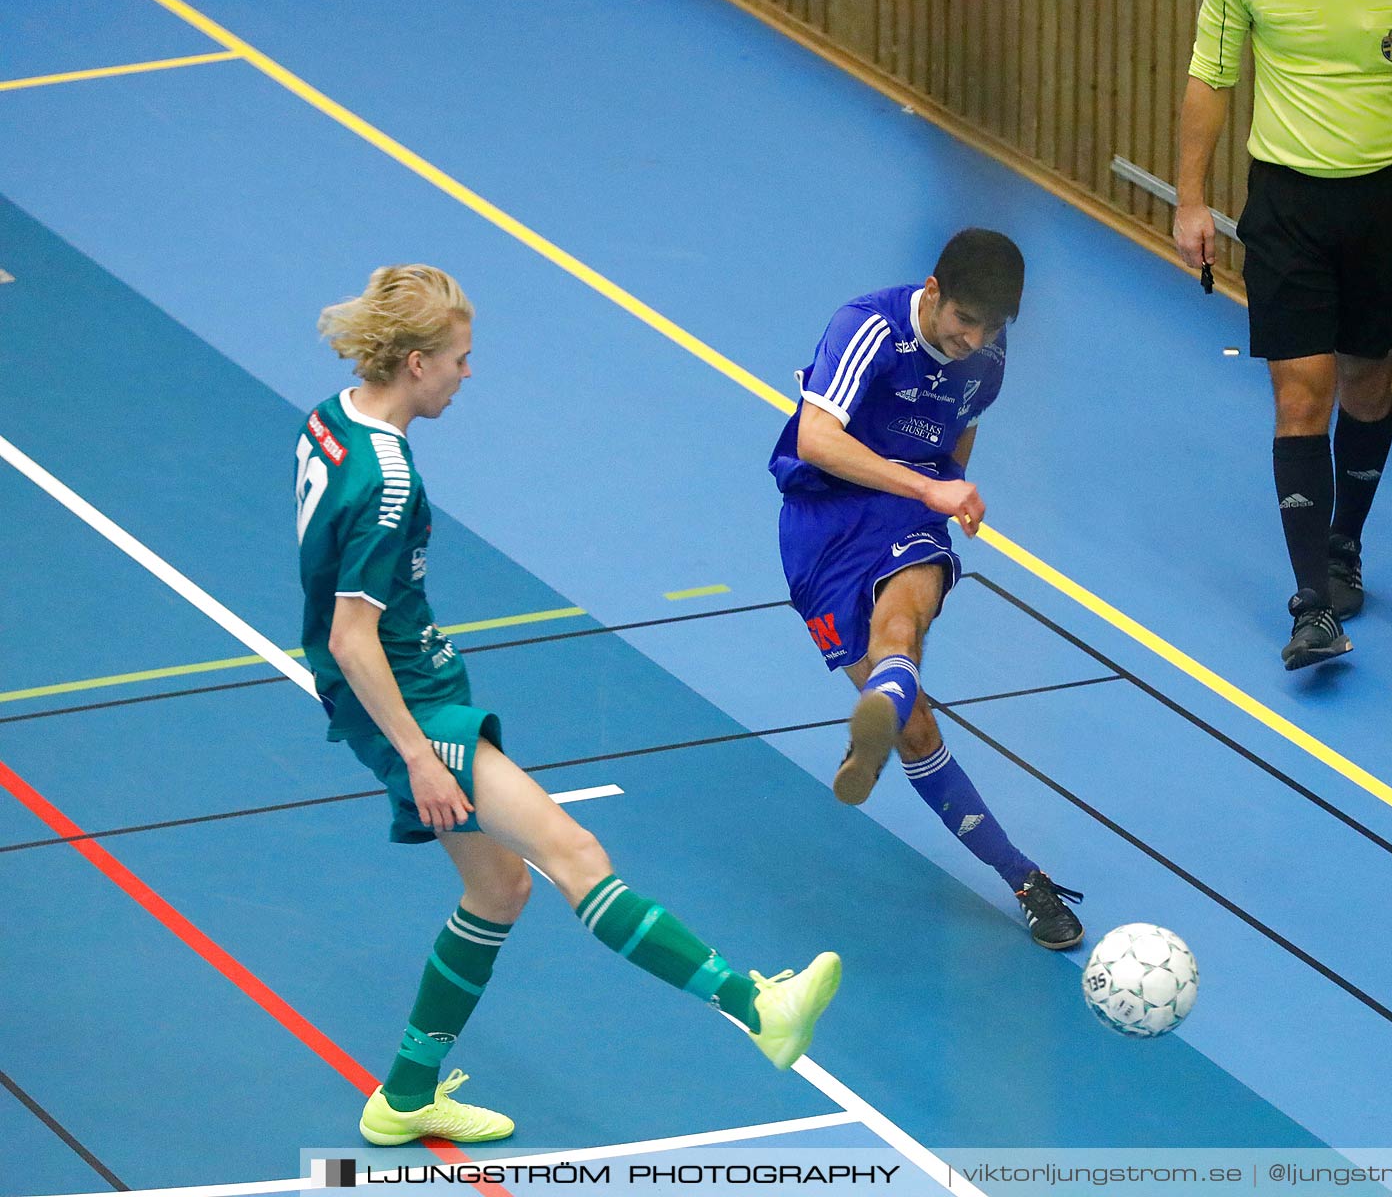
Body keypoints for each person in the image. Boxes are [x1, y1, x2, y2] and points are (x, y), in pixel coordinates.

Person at [297, 265, 841, 1147]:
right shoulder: (387, 481)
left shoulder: (331, 417)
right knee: (573, 852)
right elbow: (354, 638)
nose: (469, 374)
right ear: (413, 363)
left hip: (409, 684)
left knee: (500, 886)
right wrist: (417, 754)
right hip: (408, 703)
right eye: (459, 361)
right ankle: (756, 1005)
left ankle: (402, 1098)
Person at [769, 229, 1084, 951]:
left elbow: (955, 439)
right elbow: (816, 438)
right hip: (820, 521)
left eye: (992, 327)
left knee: (904, 625)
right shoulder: (869, 327)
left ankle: (1024, 881)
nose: (975, 340)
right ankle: (885, 721)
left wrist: (944, 493)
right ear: (934, 292)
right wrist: (929, 486)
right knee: (916, 728)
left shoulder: (988, 363)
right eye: (965, 321)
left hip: (909, 514)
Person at [1174, 0, 1392, 669]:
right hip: (1287, 206)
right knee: (1302, 396)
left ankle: (1344, 542)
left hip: (1385, 204)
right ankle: (1312, 600)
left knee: (1367, 388)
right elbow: (1211, 76)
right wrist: (1191, 198)